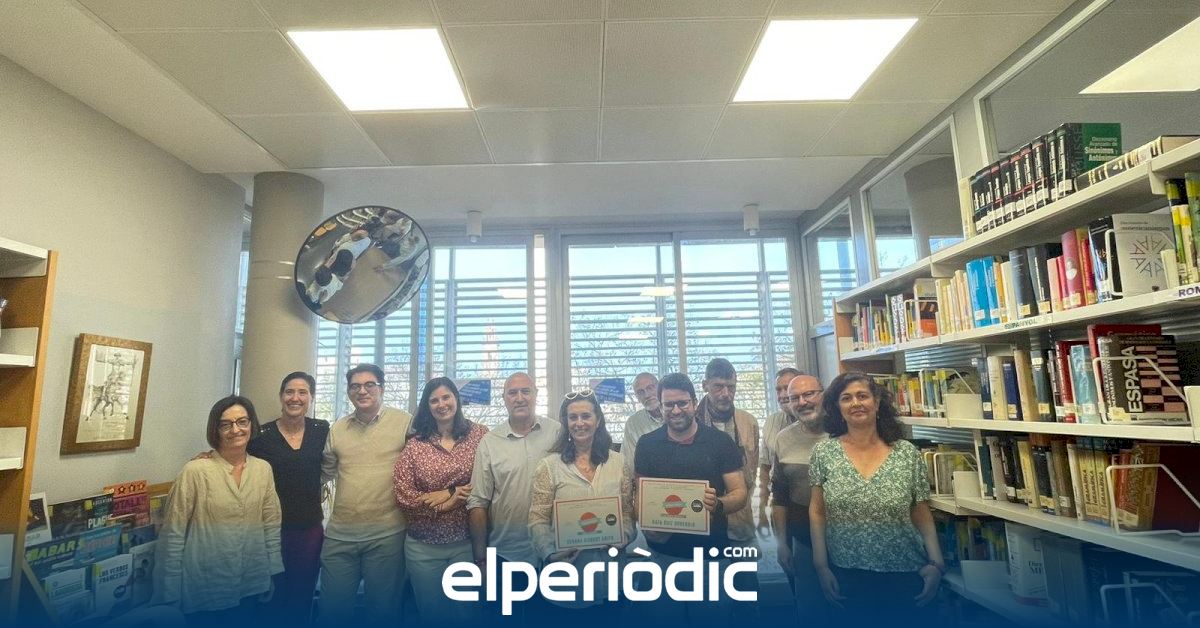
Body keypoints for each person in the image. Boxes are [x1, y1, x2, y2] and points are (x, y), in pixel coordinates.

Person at [809, 371, 945, 622]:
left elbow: (921, 512)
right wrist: (821, 566)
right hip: (846, 575)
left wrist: (936, 564)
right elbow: (817, 511)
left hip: (905, 574)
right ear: (837, 407)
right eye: (846, 398)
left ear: (877, 402)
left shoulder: (907, 453)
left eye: (862, 396)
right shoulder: (823, 453)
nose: (856, 403)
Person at [156, 396, 283, 623]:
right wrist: (169, 592)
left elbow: (271, 525)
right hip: (205, 586)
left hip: (251, 581)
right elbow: (173, 534)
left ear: (251, 424)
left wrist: (270, 574)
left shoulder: (262, 469)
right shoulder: (195, 471)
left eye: (242, 422)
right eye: (226, 424)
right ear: (216, 430)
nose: (236, 430)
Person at [633, 372, 748, 623]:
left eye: (682, 403)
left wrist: (718, 504)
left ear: (694, 403)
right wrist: (648, 525)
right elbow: (640, 496)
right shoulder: (647, 444)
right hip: (662, 558)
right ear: (660, 406)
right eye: (669, 404)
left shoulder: (720, 442)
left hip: (711, 560)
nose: (676, 410)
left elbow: (740, 493)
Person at [529, 390, 633, 624]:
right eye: (572, 417)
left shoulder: (618, 462)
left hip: (611, 579)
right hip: (567, 579)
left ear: (598, 420)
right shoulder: (549, 466)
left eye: (586, 416)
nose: (579, 423)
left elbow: (627, 513)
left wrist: (624, 536)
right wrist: (550, 553)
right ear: (565, 423)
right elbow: (537, 519)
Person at [319, 364, 413, 625]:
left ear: (382, 388)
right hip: (340, 536)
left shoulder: (404, 422)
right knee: (331, 613)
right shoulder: (337, 429)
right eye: (355, 386)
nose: (362, 391)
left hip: (387, 536)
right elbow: (323, 474)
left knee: (382, 614)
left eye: (369, 384)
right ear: (349, 392)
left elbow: (423, 462)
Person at [393, 378, 487, 625]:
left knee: (467, 614)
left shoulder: (480, 435)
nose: (441, 404)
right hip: (422, 547)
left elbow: (487, 482)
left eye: (446, 397)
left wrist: (451, 493)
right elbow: (403, 494)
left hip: (465, 543)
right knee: (433, 615)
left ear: (457, 399)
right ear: (427, 406)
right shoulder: (415, 444)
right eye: (434, 400)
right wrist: (443, 504)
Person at [467, 372, 561, 618]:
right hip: (506, 554)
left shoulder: (557, 433)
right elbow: (478, 502)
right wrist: (481, 561)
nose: (520, 398)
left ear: (536, 395)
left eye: (526, 391)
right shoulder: (490, 442)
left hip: (555, 552)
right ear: (504, 399)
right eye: (512, 393)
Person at [246, 372, 328, 624]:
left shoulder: (322, 430)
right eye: (289, 392)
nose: (295, 398)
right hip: (270, 530)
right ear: (281, 396)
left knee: (302, 595)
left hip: (309, 530)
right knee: (270, 595)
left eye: (303, 392)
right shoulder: (261, 435)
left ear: (311, 398)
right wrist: (209, 455)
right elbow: (236, 457)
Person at [769, 373, 828, 618]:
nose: (802, 402)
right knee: (810, 611)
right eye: (795, 398)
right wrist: (782, 544)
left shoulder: (845, 433)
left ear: (823, 394)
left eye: (809, 394)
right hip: (803, 542)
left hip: (847, 540)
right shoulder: (783, 439)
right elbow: (779, 497)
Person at [696, 358, 759, 548]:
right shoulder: (691, 423)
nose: (726, 394)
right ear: (705, 385)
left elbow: (751, 472)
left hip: (741, 523)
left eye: (731, 387)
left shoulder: (749, 422)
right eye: (718, 387)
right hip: (702, 522)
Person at [757, 367, 801, 534]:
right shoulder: (771, 422)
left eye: (787, 388)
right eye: (778, 389)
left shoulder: (818, 422)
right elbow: (765, 468)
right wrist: (761, 510)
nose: (783, 395)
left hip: (808, 504)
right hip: (779, 505)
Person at [620, 372, 661, 480]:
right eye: (640, 392)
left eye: (650, 388)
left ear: (660, 388)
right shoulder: (633, 423)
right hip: (649, 481)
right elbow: (629, 465)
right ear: (637, 398)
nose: (647, 395)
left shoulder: (675, 414)